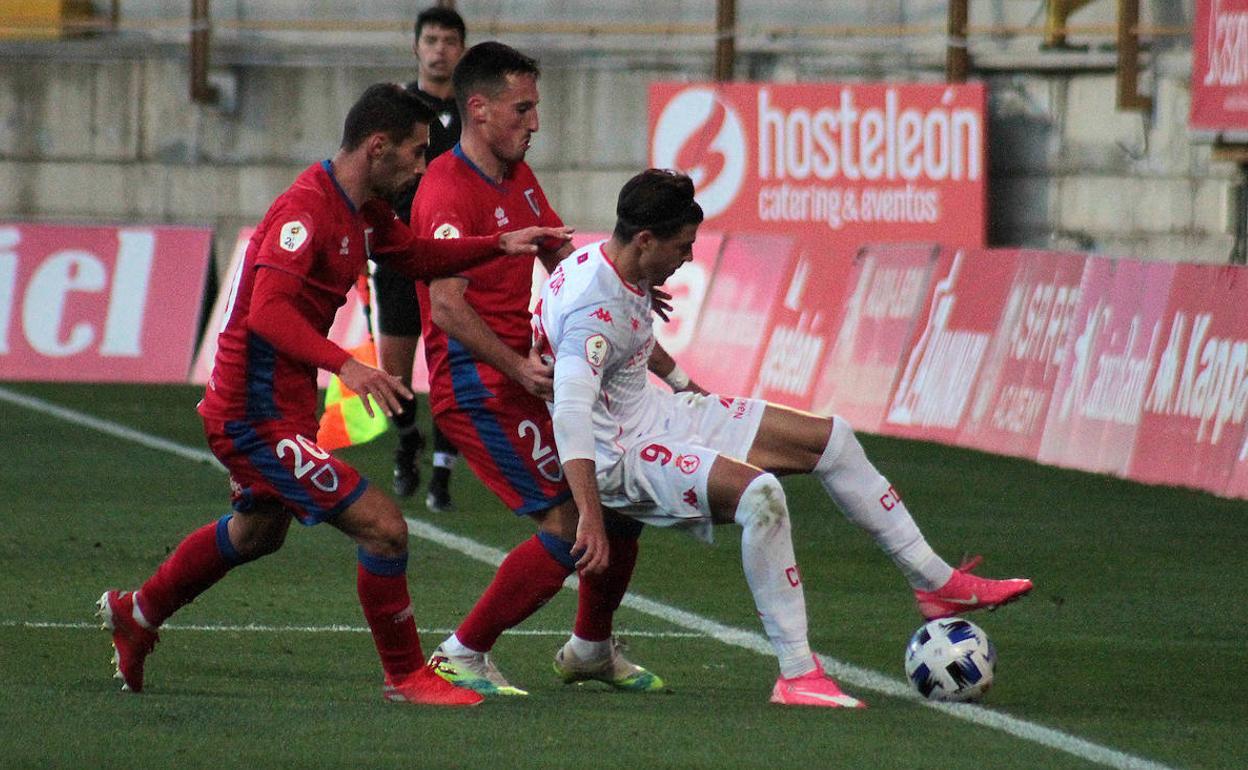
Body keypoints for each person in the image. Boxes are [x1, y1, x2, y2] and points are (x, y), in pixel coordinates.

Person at [95, 82, 571, 707]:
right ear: (378, 147)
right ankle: (406, 676)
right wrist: (347, 366)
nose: (423, 167)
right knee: (384, 528)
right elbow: (268, 312)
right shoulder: (307, 211)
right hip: (251, 414)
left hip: (283, 405)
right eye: (417, 152)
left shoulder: (363, 207)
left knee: (258, 533)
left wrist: (496, 244)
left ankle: (138, 611)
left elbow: (415, 255)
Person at [533, 169, 1035, 708]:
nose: (690, 256)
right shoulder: (593, 310)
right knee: (761, 498)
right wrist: (591, 514)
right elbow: (572, 414)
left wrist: (687, 389)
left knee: (831, 439)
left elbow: (627, 338)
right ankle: (797, 673)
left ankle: (936, 583)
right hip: (619, 457)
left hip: (657, 414)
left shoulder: (611, 266)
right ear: (645, 240)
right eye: (683, 246)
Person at [411, 42, 677, 697]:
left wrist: (628, 285)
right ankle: (459, 654)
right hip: (479, 385)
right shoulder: (445, 189)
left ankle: (591, 649)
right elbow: (446, 307)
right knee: (566, 524)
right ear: (478, 109)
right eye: (522, 109)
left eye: (535, 108)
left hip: (529, 373)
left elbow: (565, 261)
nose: (535, 122)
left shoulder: (518, 177)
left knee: (619, 501)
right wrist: (518, 368)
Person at [375, 6, 467, 511]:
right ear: (416, 47)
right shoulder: (396, 108)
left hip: (453, 258)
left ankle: (443, 474)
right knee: (393, 375)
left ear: (461, 50)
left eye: (449, 41)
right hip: (399, 252)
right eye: (431, 40)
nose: (439, 50)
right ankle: (409, 436)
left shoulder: (475, 112)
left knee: (452, 368)